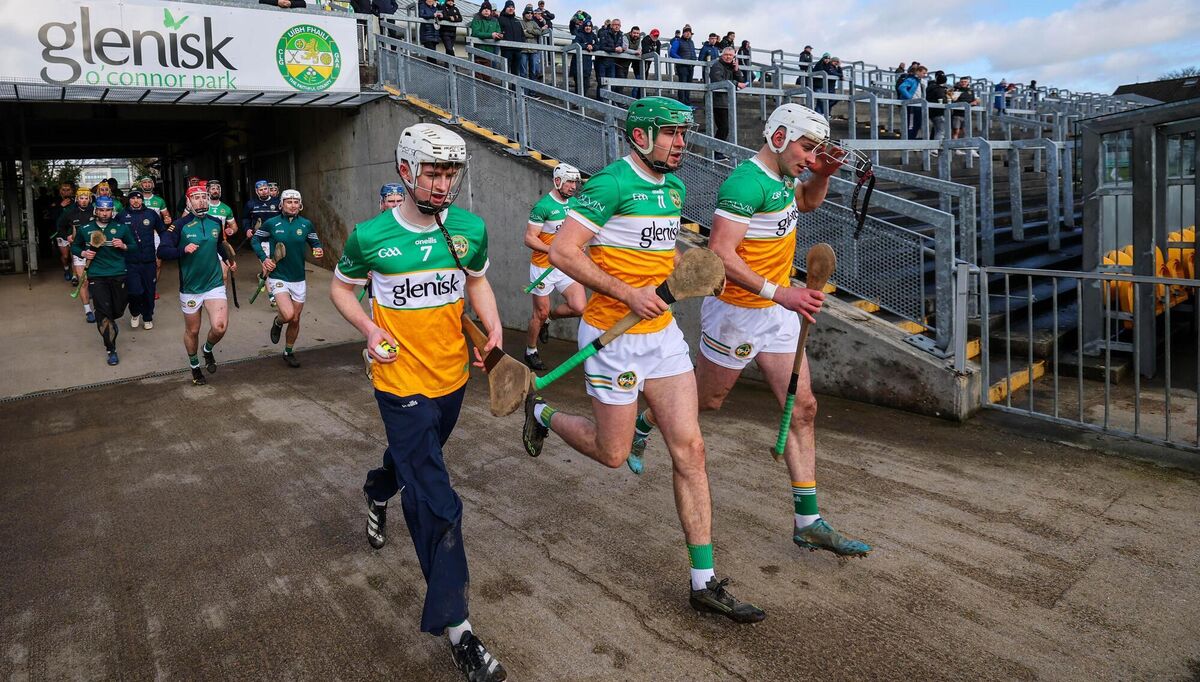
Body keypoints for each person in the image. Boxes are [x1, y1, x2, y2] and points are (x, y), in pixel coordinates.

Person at [526, 97, 766, 624]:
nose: (682, 143)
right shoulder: (609, 185)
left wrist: (686, 269)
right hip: (614, 337)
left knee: (691, 449)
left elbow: (658, 252)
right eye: (671, 134)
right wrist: (625, 292)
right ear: (640, 137)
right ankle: (542, 414)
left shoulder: (674, 188)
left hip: (662, 337)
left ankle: (703, 581)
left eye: (685, 134)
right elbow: (564, 252)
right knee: (612, 454)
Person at [631, 103, 874, 558]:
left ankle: (809, 520)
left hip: (777, 312)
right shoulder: (744, 183)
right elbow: (720, 253)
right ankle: (645, 421)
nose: (808, 156)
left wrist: (821, 175)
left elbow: (804, 202)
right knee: (708, 400)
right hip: (738, 312)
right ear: (778, 137)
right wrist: (782, 295)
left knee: (803, 407)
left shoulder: (785, 176)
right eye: (806, 148)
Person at [330, 123, 508, 682]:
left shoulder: (470, 228)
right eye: (433, 171)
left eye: (451, 171)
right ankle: (460, 632)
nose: (442, 182)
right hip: (398, 382)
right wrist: (366, 327)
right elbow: (340, 287)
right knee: (437, 500)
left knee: (411, 464)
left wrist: (495, 329)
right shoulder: (370, 236)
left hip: (451, 379)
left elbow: (475, 280)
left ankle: (377, 487)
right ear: (406, 171)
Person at [158, 182, 236, 386]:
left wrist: (228, 260)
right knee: (193, 331)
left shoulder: (214, 222)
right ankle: (194, 366)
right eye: (196, 197)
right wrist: (182, 250)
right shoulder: (179, 225)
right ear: (188, 201)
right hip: (191, 288)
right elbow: (162, 251)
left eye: (204, 197)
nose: (201, 200)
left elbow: (219, 245)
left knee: (219, 327)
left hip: (214, 284)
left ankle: (207, 349)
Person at [524, 163, 586, 370]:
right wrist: (552, 251)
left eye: (575, 182)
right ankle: (530, 350)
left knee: (579, 307)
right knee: (538, 313)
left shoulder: (575, 203)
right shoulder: (543, 207)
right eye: (569, 182)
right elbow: (530, 238)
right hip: (544, 268)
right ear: (557, 181)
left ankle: (550, 319)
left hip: (565, 266)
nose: (573, 186)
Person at [252, 190, 323, 367]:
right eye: (289, 201)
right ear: (281, 204)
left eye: (295, 202)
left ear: (300, 205)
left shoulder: (306, 224)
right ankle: (277, 322)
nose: (292, 205)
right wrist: (264, 258)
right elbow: (255, 240)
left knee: (295, 319)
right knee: (288, 314)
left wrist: (318, 249)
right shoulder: (271, 223)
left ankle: (288, 351)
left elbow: (315, 242)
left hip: (298, 278)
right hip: (278, 276)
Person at [72, 196, 135, 366]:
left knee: (118, 311)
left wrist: (123, 246)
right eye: (101, 210)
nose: (104, 213)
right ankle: (111, 348)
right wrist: (84, 254)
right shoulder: (85, 229)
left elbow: (134, 246)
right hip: (96, 276)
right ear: (96, 210)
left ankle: (111, 320)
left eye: (108, 210)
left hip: (118, 273)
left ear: (112, 211)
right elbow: (75, 246)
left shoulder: (121, 228)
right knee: (103, 314)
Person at [118, 190, 166, 331]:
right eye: (132, 198)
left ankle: (147, 317)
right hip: (130, 261)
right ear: (129, 200)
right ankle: (134, 312)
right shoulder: (121, 216)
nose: (136, 201)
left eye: (138, 198)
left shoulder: (151, 214)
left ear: (142, 200)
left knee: (149, 291)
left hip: (148, 260)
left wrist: (165, 246)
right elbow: (112, 232)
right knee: (134, 291)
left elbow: (162, 231)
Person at [57, 187, 96, 322]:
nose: (84, 201)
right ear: (77, 199)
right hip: (79, 251)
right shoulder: (70, 212)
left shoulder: (96, 210)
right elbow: (59, 227)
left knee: (96, 281)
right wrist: (67, 236)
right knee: (83, 281)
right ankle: (88, 311)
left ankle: (100, 307)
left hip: (95, 251)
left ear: (90, 199)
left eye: (86, 198)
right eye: (81, 198)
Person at [709, 47, 746, 146]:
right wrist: (736, 83)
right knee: (724, 128)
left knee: (726, 129)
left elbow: (742, 81)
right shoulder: (717, 66)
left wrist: (736, 69)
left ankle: (718, 151)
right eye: (726, 55)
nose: (728, 57)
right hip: (719, 102)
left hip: (728, 102)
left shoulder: (731, 67)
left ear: (734, 57)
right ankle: (716, 152)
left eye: (730, 55)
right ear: (722, 55)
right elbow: (717, 80)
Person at [52, 182, 77, 282]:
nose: (65, 192)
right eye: (63, 189)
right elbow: (52, 217)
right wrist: (60, 206)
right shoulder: (55, 201)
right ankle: (66, 269)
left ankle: (75, 276)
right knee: (66, 256)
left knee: (74, 255)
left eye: (68, 189)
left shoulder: (76, 201)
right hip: (61, 233)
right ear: (60, 191)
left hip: (74, 231)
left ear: (72, 191)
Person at [595, 18, 625, 99]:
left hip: (612, 62)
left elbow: (621, 46)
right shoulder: (604, 33)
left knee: (611, 83)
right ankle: (600, 101)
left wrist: (622, 49)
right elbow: (602, 46)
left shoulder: (620, 35)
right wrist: (614, 49)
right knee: (602, 83)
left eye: (618, 25)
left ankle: (608, 101)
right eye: (615, 25)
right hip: (601, 61)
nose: (617, 27)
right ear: (611, 25)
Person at [469, 3, 503, 72]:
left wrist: (499, 36)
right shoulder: (477, 18)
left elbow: (498, 31)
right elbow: (476, 33)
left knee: (487, 76)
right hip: (477, 52)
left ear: (491, 11)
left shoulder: (495, 20)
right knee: (477, 75)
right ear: (481, 10)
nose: (486, 10)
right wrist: (491, 35)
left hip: (489, 52)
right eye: (484, 9)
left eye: (488, 9)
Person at [669, 27, 697, 105]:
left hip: (691, 66)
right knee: (683, 83)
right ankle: (682, 102)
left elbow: (693, 52)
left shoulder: (691, 42)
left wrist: (694, 60)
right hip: (682, 66)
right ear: (683, 33)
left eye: (689, 32)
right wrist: (681, 60)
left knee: (689, 84)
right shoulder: (678, 41)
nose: (688, 34)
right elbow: (672, 52)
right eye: (686, 32)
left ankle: (687, 102)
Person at [496, 1, 525, 76]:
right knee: (505, 71)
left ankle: (514, 88)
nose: (511, 9)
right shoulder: (500, 19)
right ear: (505, 8)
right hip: (506, 50)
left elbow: (522, 35)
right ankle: (504, 87)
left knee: (516, 72)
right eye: (509, 7)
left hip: (517, 50)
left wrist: (521, 45)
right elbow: (497, 31)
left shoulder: (517, 21)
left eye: (512, 7)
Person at [951, 75, 979, 151]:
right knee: (956, 131)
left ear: (968, 82)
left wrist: (976, 102)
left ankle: (968, 148)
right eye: (962, 82)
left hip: (967, 114)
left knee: (966, 132)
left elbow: (974, 101)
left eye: (965, 82)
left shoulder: (971, 91)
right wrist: (969, 103)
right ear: (960, 82)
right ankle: (955, 148)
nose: (963, 83)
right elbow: (954, 101)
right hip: (957, 114)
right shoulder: (956, 90)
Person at [569, 20, 597, 95]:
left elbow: (599, 45)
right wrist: (586, 46)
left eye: (589, 26)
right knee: (579, 84)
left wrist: (593, 47)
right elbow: (575, 44)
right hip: (577, 64)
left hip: (587, 65)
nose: (588, 28)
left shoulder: (593, 35)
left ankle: (582, 103)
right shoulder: (579, 34)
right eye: (586, 26)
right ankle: (577, 103)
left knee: (586, 85)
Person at [520, 5, 545, 80]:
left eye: (531, 13)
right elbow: (521, 33)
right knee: (523, 72)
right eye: (528, 13)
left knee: (533, 72)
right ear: (524, 14)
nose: (530, 14)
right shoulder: (520, 22)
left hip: (534, 50)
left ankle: (532, 91)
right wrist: (532, 34)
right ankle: (522, 90)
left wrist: (529, 31)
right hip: (523, 50)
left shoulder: (534, 23)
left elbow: (539, 32)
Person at [926, 70, 950, 143]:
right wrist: (949, 98)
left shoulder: (930, 87)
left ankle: (933, 148)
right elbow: (942, 100)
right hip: (938, 112)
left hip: (931, 111)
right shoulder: (940, 89)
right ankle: (935, 148)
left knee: (937, 130)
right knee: (941, 131)